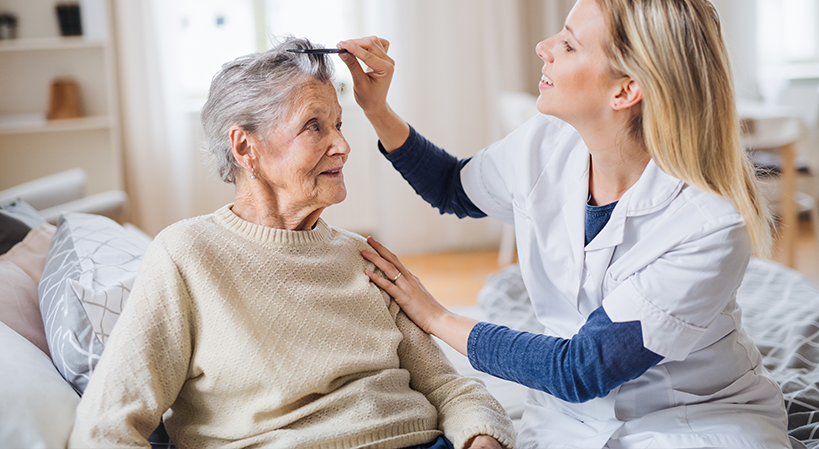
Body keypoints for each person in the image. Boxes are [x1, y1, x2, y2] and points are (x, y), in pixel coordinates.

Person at [337, 0, 792, 449]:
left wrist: (434, 316)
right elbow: (453, 187)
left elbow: (580, 369)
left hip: (692, 419)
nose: (544, 46)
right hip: (567, 419)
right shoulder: (546, 142)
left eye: (570, 45)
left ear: (624, 91)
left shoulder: (709, 225)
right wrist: (377, 109)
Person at [68, 37, 516, 449]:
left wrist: (482, 440)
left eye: (338, 124)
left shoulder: (362, 254)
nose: (342, 145)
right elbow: (106, 426)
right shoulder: (187, 254)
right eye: (313, 127)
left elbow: (451, 387)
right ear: (246, 149)